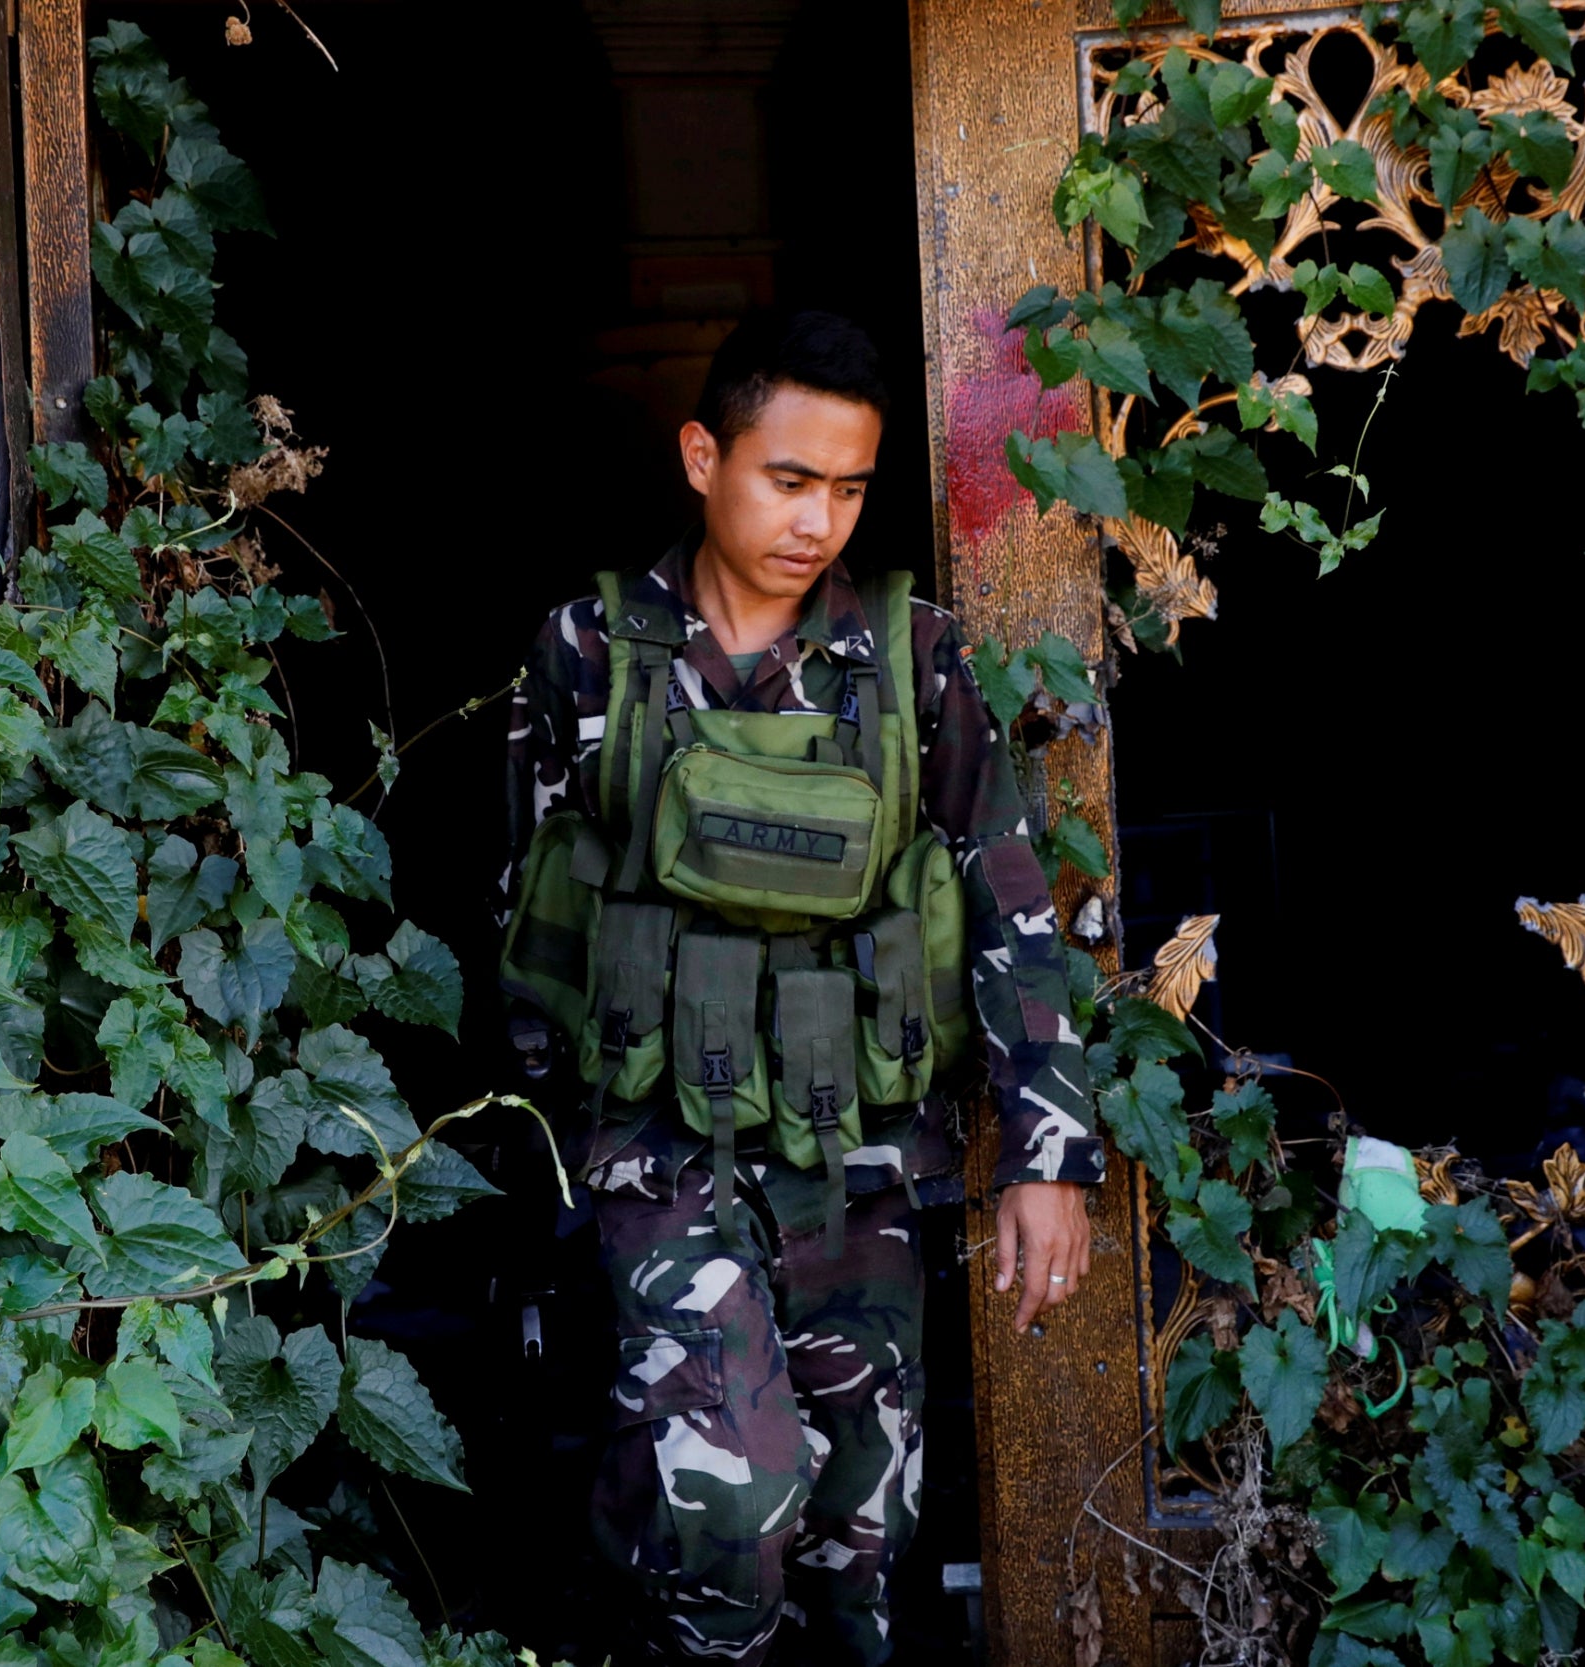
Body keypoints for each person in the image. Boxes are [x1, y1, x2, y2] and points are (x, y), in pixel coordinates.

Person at [499, 310, 1102, 1665]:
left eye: (848, 488)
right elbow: (533, 917)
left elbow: (1008, 901)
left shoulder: (910, 660)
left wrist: (1047, 1158)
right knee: (736, 1495)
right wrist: (559, 1160)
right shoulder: (589, 656)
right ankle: (613, 1587)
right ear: (703, 454)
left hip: (863, 1162)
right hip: (661, 1155)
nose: (817, 519)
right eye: (787, 479)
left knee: (856, 1552)